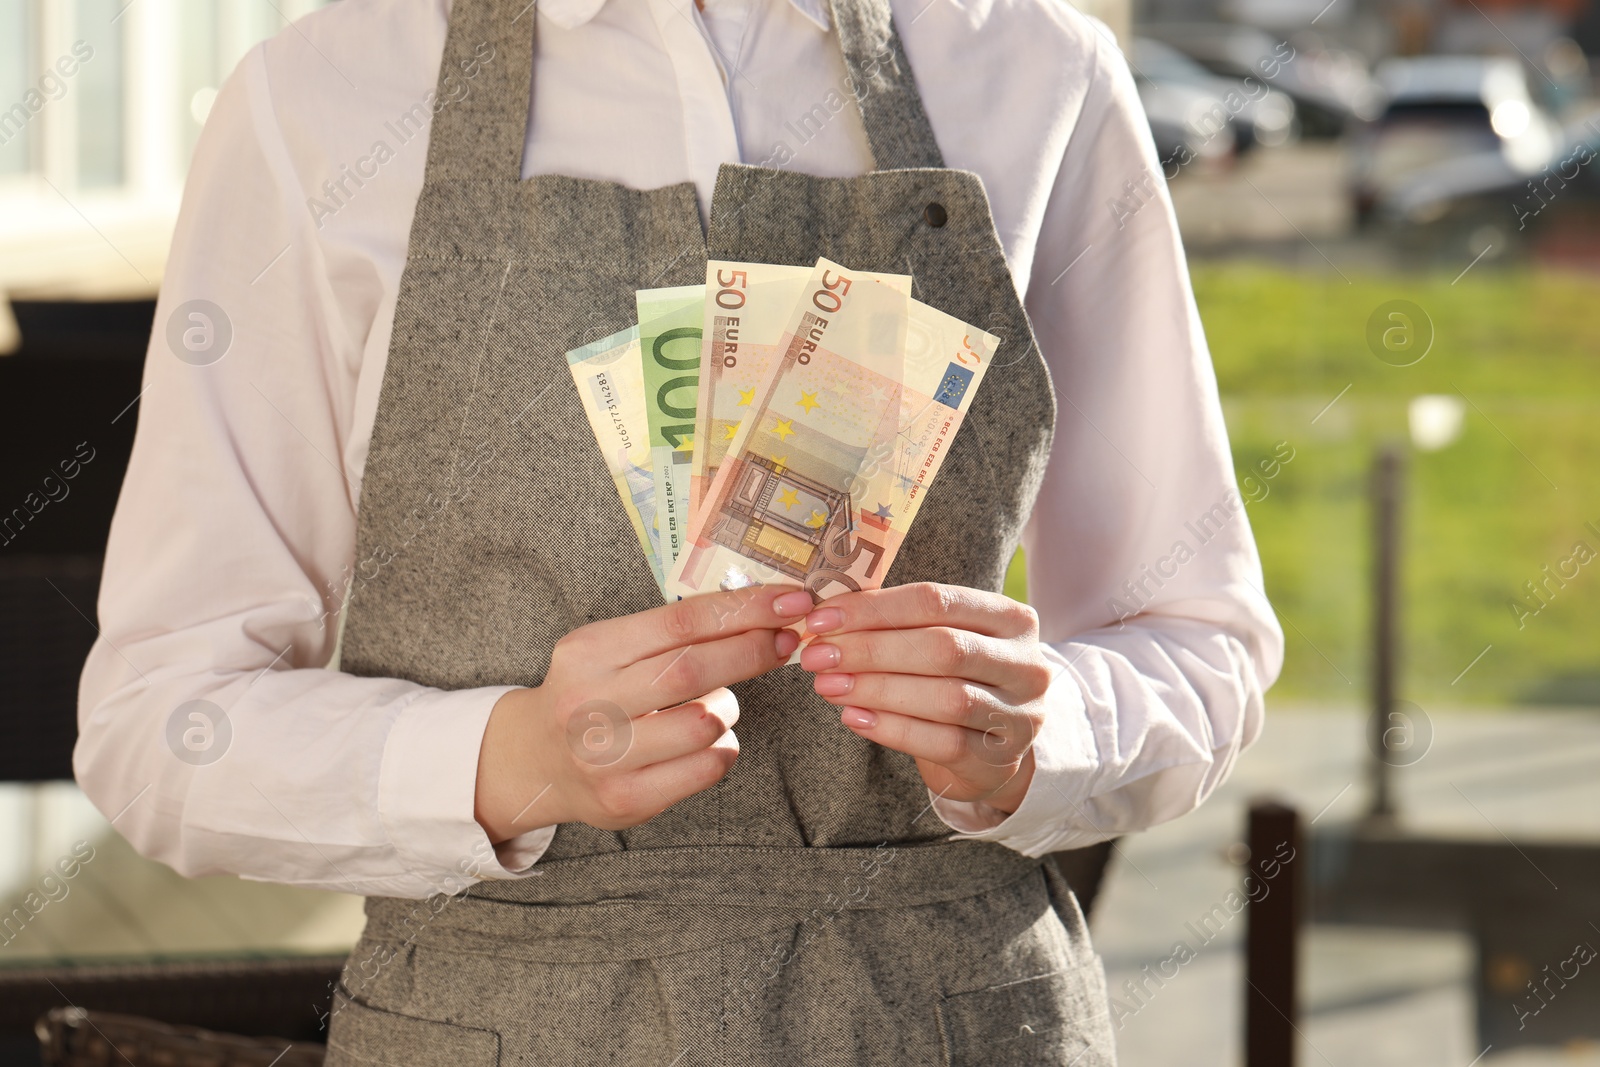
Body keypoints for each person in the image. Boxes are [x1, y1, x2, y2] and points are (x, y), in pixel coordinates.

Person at [76, 0, 1283, 1062]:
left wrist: (1038, 732)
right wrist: (507, 762)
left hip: (956, 1018)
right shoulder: (319, 103)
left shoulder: (1039, 74)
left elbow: (1198, 640)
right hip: (496, 1023)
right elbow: (159, 722)